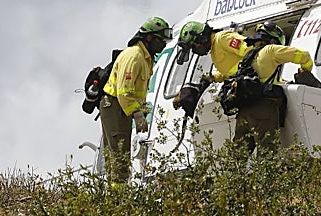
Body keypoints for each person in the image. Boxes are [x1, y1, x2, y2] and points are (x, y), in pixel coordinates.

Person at [99, 16, 173, 183]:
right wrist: (137, 115)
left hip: (121, 107)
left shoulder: (145, 57)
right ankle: (118, 201)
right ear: (149, 38)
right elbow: (124, 92)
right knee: (119, 158)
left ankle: (116, 196)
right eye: (160, 40)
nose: (163, 44)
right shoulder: (135, 56)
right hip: (116, 106)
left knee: (119, 156)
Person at [229, 21, 315, 154]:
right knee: (267, 154)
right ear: (274, 40)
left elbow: (260, 78)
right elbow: (304, 56)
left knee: (238, 156)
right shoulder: (270, 50)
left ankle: (230, 175)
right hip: (263, 108)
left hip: (244, 110)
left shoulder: (249, 56)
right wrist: (305, 70)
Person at [172, 21, 249, 113]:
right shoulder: (214, 50)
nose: (194, 50)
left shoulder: (222, 38)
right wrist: (213, 77)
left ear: (201, 39)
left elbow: (250, 50)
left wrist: (246, 72)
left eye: (194, 46)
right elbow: (229, 70)